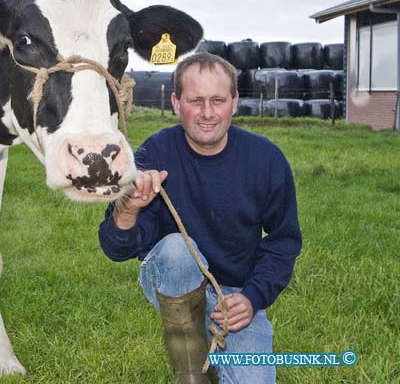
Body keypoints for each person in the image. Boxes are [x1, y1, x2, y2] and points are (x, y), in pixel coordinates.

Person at [99, 52, 302, 383]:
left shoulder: (267, 160)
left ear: (234, 102)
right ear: (177, 103)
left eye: (218, 100)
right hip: (173, 279)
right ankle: (192, 371)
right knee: (179, 248)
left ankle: (217, 342)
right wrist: (128, 207)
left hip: (234, 295)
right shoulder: (155, 154)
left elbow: (284, 241)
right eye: (196, 101)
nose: (208, 113)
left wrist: (252, 298)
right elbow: (116, 249)